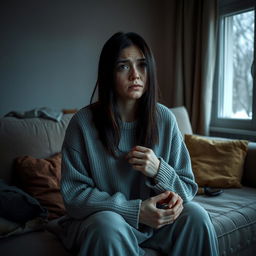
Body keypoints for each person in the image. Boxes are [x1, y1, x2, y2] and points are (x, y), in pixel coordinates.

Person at [59, 32, 219, 256]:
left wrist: (159, 171)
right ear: (109, 74)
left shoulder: (165, 119)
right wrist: (135, 211)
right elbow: (74, 196)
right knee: (108, 226)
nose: (135, 75)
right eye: (123, 66)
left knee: (196, 216)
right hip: (105, 223)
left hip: (155, 225)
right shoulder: (82, 124)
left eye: (142, 65)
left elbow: (187, 191)